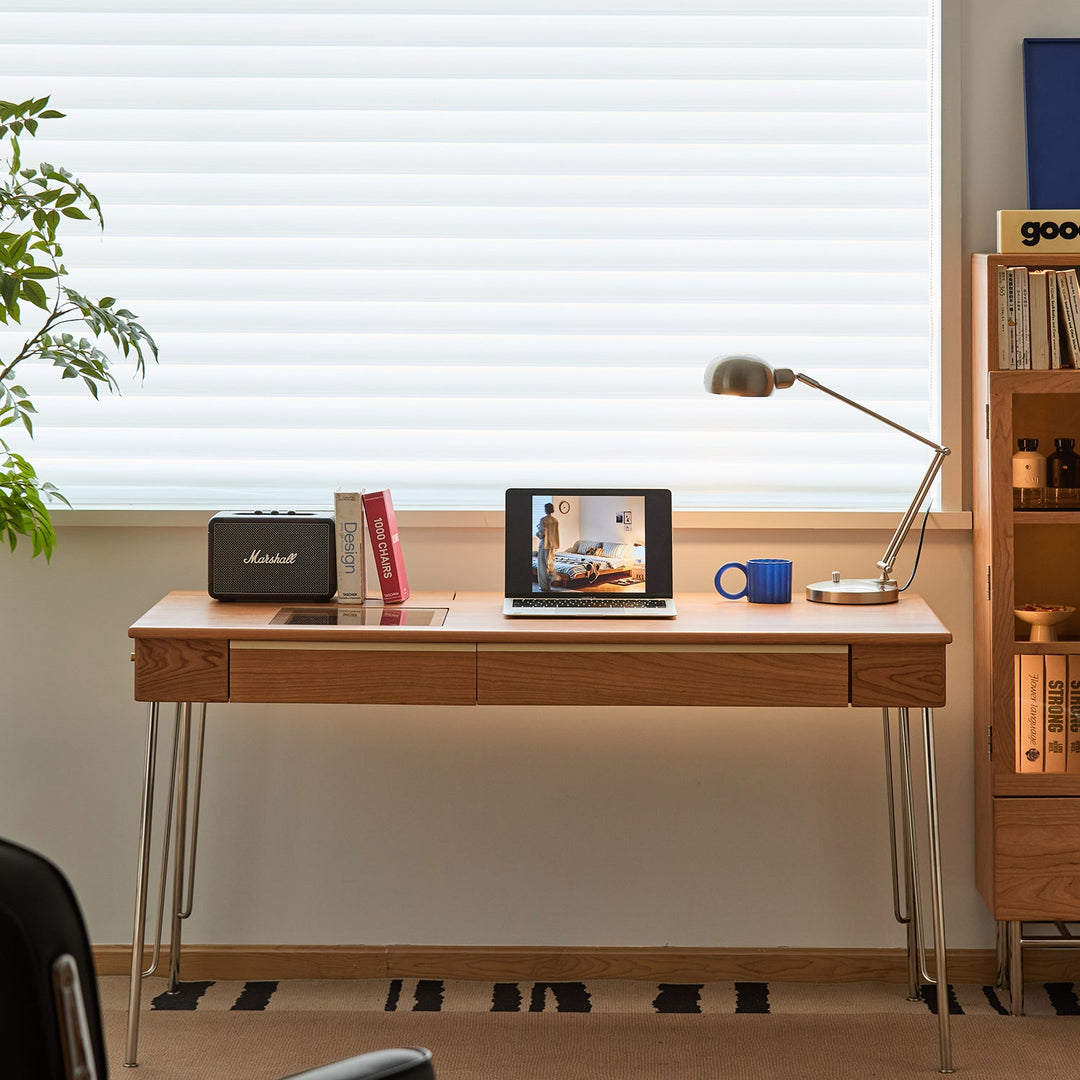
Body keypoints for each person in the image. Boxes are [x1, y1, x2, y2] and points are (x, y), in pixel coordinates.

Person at [535, 502, 560, 591]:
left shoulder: (543, 520)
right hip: (553, 545)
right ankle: (554, 576)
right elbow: (556, 534)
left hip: (544, 545)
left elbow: (542, 534)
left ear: (546, 509)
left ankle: (545, 586)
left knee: (542, 566)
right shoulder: (555, 520)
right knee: (549, 563)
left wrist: (537, 533)